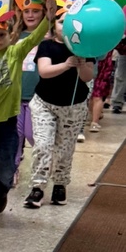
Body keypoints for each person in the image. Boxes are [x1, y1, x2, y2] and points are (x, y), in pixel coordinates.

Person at [0, 0, 55, 227]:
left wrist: (49, 16)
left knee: (7, 169)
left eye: (1, 35)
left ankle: (2, 190)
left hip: (7, 123)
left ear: (9, 36)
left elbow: (36, 36)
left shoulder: (15, 53)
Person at [24, 13, 94, 208]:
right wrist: (66, 64)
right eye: (62, 21)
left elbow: (87, 77)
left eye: (71, 22)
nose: (66, 25)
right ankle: (37, 187)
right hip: (44, 104)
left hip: (73, 106)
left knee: (65, 149)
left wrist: (81, 64)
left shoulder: (85, 47)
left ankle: (60, 184)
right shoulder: (47, 45)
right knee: (43, 145)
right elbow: (44, 72)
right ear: (53, 24)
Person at [10, 0, 51, 186]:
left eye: (35, 11)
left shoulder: (47, 37)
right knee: (15, 136)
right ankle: (13, 170)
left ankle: (41, 169)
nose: (30, 15)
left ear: (43, 13)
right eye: (27, 11)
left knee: (32, 135)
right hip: (17, 95)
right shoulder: (15, 37)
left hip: (38, 97)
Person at [89, 48, 116, 132]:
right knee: (90, 95)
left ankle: (94, 122)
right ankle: (95, 116)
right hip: (89, 63)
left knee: (97, 94)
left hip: (103, 67)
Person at [111, 37, 126, 113]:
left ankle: (117, 102)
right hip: (124, 52)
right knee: (120, 77)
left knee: (120, 77)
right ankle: (117, 102)